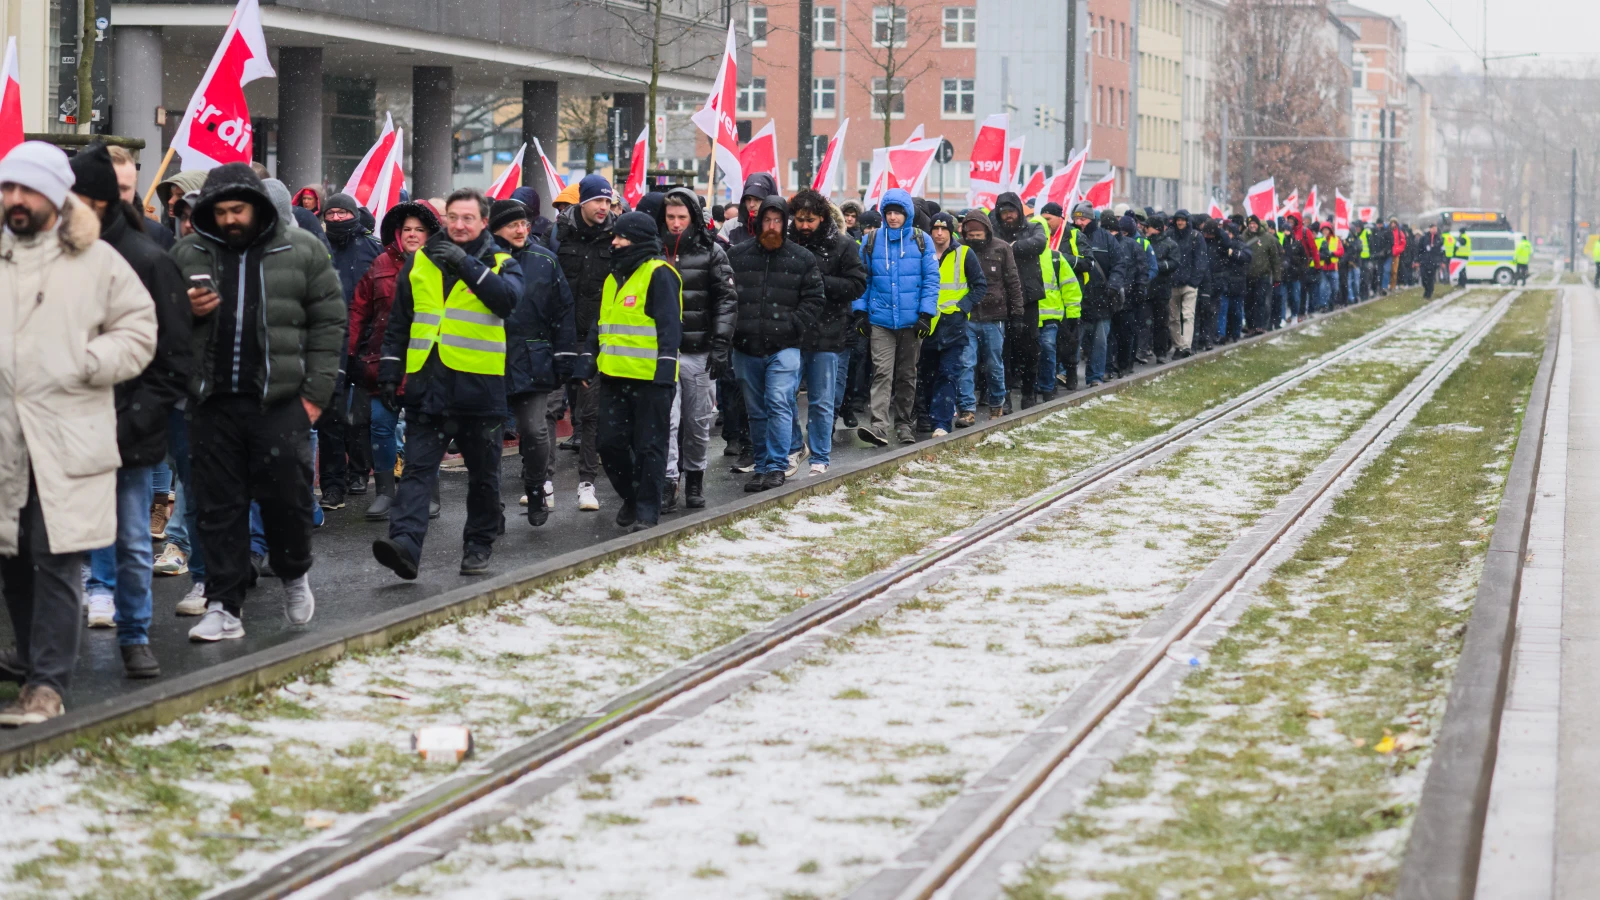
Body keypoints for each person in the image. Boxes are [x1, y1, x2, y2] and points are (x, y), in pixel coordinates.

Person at [0, 143, 157, 722]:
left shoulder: (98, 260)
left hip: (67, 436)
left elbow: (140, 331)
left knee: (57, 556)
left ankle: (48, 685)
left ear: (56, 194)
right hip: (4, 440)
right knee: (12, 558)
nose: (15, 200)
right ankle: (31, 665)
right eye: (7, 188)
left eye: (28, 189)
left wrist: (87, 362)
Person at [171, 163, 343, 640]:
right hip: (212, 403)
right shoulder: (188, 252)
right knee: (218, 507)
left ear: (258, 208)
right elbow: (157, 321)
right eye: (220, 210)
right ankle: (225, 606)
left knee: (284, 499)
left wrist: (315, 396)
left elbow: (329, 323)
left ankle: (293, 572)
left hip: (281, 401)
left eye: (238, 209)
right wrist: (184, 309)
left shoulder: (303, 249)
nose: (229, 219)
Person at [69, 144, 192, 679]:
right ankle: (60, 630)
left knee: (131, 532)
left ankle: (136, 633)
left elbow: (172, 354)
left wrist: (138, 415)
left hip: (125, 422)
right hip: (61, 424)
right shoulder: (51, 255)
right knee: (54, 536)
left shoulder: (147, 259)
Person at [372, 188, 523, 579]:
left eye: (468, 218)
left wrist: (466, 265)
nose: (459, 224)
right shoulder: (419, 261)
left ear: (484, 222)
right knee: (418, 471)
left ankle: (478, 545)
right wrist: (389, 373)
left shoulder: (502, 261)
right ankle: (404, 544)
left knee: (484, 476)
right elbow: (399, 324)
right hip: (428, 387)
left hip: (479, 391)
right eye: (453, 217)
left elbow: (506, 301)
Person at [563, 212, 683, 529]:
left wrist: (664, 376)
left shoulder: (660, 274)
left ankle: (647, 511)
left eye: (621, 237)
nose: (614, 242)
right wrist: (586, 363)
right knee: (609, 444)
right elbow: (599, 326)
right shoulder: (613, 277)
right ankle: (632, 497)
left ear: (640, 241)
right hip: (614, 379)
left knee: (649, 448)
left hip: (652, 381)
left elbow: (670, 332)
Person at [349, 200, 440, 520]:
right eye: (407, 229)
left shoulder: (441, 264)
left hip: (426, 366)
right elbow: (359, 310)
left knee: (422, 431)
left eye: (420, 229)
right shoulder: (380, 264)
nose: (413, 235)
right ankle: (386, 492)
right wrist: (348, 354)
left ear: (430, 234)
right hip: (383, 363)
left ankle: (428, 492)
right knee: (381, 428)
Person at [489, 198, 577, 524]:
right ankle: (491, 506)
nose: (521, 229)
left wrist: (564, 357)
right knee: (489, 436)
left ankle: (537, 486)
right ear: (495, 226)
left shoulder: (545, 260)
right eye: (513, 223)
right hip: (488, 360)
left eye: (524, 223)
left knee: (534, 430)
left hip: (533, 358)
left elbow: (563, 312)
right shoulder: (480, 259)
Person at [728, 196, 826, 489]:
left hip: (784, 346)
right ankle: (762, 464)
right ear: (758, 223)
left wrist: (792, 325)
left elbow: (815, 298)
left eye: (778, 220)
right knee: (756, 409)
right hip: (746, 345)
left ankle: (777, 465)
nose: (772, 226)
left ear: (786, 223)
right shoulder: (738, 255)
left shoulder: (801, 258)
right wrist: (734, 329)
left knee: (779, 402)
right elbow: (725, 297)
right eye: (767, 220)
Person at [654, 188, 736, 508]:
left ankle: (695, 476)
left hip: (699, 351)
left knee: (698, 422)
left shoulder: (712, 252)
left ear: (693, 219)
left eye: (682, 217)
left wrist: (719, 347)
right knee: (666, 420)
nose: (676, 224)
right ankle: (668, 480)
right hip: (663, 352)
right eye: (670, 217)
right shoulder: (655, 251)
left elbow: (727, 302)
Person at [788, 189, 867, 476]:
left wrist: (820, 282)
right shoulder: (787, 243)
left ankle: (820, 456)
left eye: (810, 220)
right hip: (790, 332)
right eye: (799, 220)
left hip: (828, 330)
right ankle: (796, 446)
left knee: (822, 399)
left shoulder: (843, 246)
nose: (804, 225)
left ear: (822, 218)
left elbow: (857, 285)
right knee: (784, 396)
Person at [854, 188, 939, 445]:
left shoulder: (922, 240)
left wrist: (926, 313)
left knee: (907, 374)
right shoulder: (871, 242)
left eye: (898, 213)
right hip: (880, 320)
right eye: (889, 212)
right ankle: (879, 426)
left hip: (912, 321)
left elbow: (931, 280)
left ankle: (904, 424)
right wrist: (860, 311)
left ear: (907, 215)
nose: (893, 217)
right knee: (882, 372)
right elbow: (862, 279)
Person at [315, 192, 383, 510]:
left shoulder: (374, 248)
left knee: (363, 418)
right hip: (330, 345)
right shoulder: (318, 248)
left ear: (355, 215)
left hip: (368, 344)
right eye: (332, 214)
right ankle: (332, 486)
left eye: (344, 213)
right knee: (330, 418)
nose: (338, 219)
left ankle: (360, 471)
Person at [554, 175, 617, 512]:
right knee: (548, 411)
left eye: (608, 202)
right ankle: (542, 481)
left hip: (596, 338)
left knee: (590, 415)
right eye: (598, 201)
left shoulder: (617, 238)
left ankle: (587, 483)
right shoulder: (559, 234)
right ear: (583, 202)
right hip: (559, 335)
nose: (603, 208)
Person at [920, 213, 984, 434]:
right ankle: (926, 416)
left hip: (953, 325)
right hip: (926, 325)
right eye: (935, 229)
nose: (939, 233)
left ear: (951, 231)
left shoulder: (965, 253)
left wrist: (961, 308)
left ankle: (941, 422)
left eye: (943, 229)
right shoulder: (922, 253)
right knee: (926, 374)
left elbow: (979, 286)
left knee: (948, 373)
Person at [954, 209, 1017, 420]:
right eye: (970, 237)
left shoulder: (1002, 248)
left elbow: (1012, 282)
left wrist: (1016, 313)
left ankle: (997, 405)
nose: (974, 240)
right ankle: (967, 409)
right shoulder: (959, 249)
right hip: (967, 315)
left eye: (978, 237)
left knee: (994, 364)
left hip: (994, 316)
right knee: (966, 364)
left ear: (987, 233)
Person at [990, 192, 1048, 410]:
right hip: (1000, 297)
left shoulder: (1033, 228)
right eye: (1004, 212)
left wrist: (1011, 247)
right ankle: (1003, 396)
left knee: (1030, 347)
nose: (1008, 216)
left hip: (1028, 297)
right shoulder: (994, 231)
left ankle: (1029, 391)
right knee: (1002, 350)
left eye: (1012, 211)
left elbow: (1039, 243)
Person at [1072, 201, 1128, 385]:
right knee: (1072, 342)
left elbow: (1119, 264)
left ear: (1092, 219)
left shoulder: (1106, 238)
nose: (1079, 222)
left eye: (1083, 218)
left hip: (1102, 299)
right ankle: (1068, 376)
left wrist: (1113, 286)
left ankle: (1094, 377)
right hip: (1076, 299)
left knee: (1099, 342)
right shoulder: (1069, 237)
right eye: (1076, 218)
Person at [1167, 209, 1207, 358]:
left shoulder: (1196, 237)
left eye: (1182, 220)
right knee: (1174, 318)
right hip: (1173, 283)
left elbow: (1201, 261)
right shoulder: (1171, 235)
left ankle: (1186, 346)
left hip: (1188, 284)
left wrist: (1193, 281)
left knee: (1188, 316)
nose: (1180, 222)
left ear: (1187, 221)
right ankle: (1178, 346)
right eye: (1178, 220)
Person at [1145, 215, 1176, 362]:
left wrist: (1157, 266)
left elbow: (1175, 263)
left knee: (1161, 322)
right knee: (1144, 322)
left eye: (1148, 226)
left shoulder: (1170, 244)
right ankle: (1144, 349)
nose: (1145, 228)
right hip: (1146, 288)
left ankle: (1161, 352)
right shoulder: (1144, 242)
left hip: (1162, 289)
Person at [723, 173, 779, 245]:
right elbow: (716, 254)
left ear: (770, 200)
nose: (751, 204)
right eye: (748, 199)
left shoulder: (785, 226)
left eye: (757, 199)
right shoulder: (731, 226)